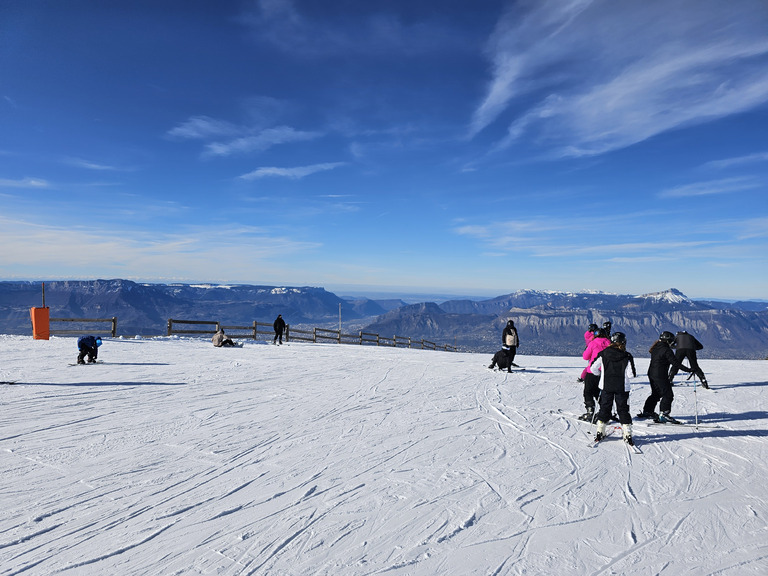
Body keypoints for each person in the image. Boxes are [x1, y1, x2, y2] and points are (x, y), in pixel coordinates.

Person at [589, 332, 637, 444]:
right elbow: (631, 375)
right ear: (624, 342)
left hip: (606, 386)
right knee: (623, 409)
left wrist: (601, 375)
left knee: (605, 408)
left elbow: (593, 368)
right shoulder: (627, 356)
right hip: (622, 387)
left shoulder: (603, 354)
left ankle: (600, 431)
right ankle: (627, 434)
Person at [638, 331, 692, 423]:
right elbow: (675, 363)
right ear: (668, 341)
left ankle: (648, 410)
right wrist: (689, 370)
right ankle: (664, 414)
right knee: (668, 394)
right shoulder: (666, 350)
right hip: (660, 374)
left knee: (656, 393)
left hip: (651, 373)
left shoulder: (656, 347)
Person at [579, 328, 611, 421]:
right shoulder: (609, 343)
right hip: (605, 372)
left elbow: (585, 357)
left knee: (588, 391)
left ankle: (590, 410)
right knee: (600, 393)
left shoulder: (593, 343)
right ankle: (604, 411)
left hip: (592, 371)